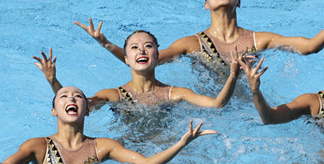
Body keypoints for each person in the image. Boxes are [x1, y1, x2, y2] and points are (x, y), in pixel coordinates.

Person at [0, 86, 215, 164]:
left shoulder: (102, 146)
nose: (71, 98)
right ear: (54, 111)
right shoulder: (38, 146)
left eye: (78, 96)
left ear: (86, 108)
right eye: (64, 96)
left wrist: (181, 142)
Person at [75, 0, 324, 69]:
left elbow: (309, 48)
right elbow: (142, 62)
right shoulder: (191, 44)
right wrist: (105, 43)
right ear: (206, 4)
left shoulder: (258, 39)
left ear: (238, 1)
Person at [33, 32, 241, 111]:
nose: (141, 50)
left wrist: (232, 75)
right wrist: (53, 81)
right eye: (134, 47)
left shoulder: (175, 93)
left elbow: (216, 104)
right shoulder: (114, 95)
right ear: (126, 59)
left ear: (158, 56)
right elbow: (77, 108)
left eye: (148, 46)